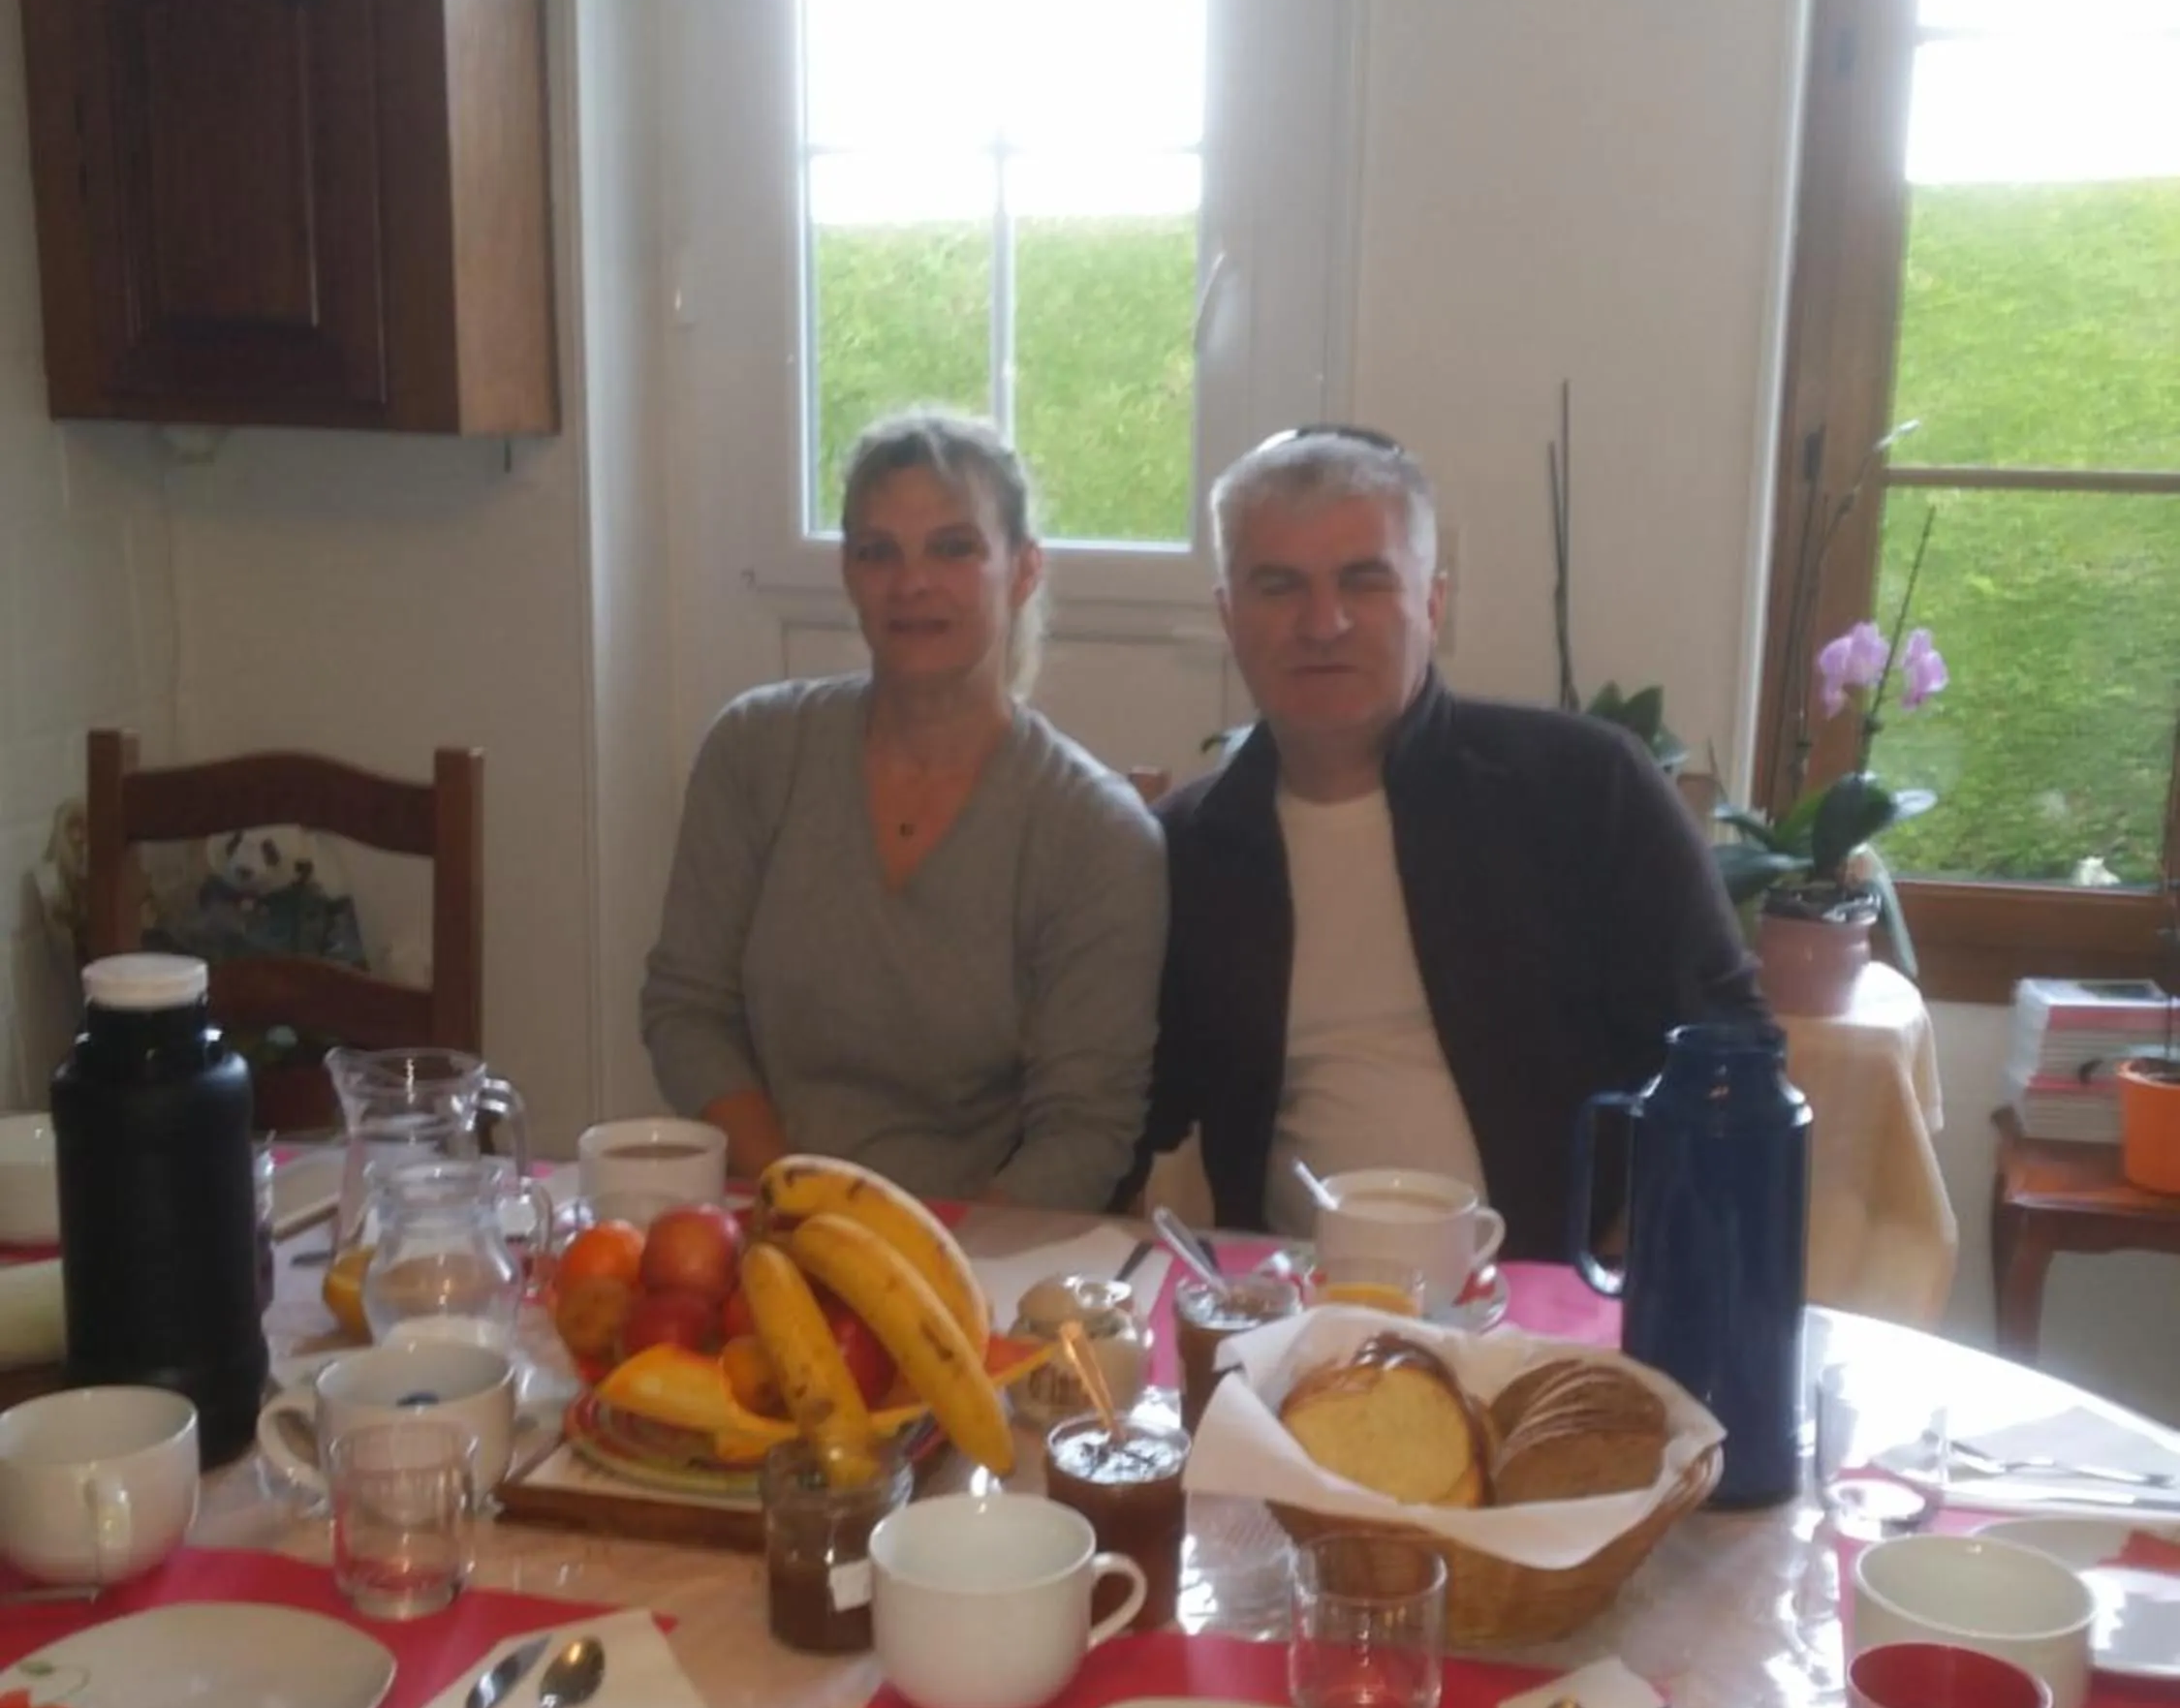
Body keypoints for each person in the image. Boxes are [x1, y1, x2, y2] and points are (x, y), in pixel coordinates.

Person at [1137, 427, 1768, 1255]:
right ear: (1229, 615)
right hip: (1299, 1298)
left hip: (1555, 1287)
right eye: (1278, 586)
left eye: (1363, 581)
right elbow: (1125, 1105)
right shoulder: (1189, 851)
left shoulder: (1586, 790)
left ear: (1433, 604)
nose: (1322, 623)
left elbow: (1732, 1053)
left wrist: (1632, 1255)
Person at [642, 410, 1167, 1209]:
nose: (912, 583)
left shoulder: (1096, 832)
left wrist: (915, 1258)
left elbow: (1085, 1131)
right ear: (848, 574)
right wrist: (802, 1205)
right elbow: (688, 1011)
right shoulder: (755, 751)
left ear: (1024, 570)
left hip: (985, 1249)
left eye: (954, 548)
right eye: (878, 551)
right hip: (764, 1219)